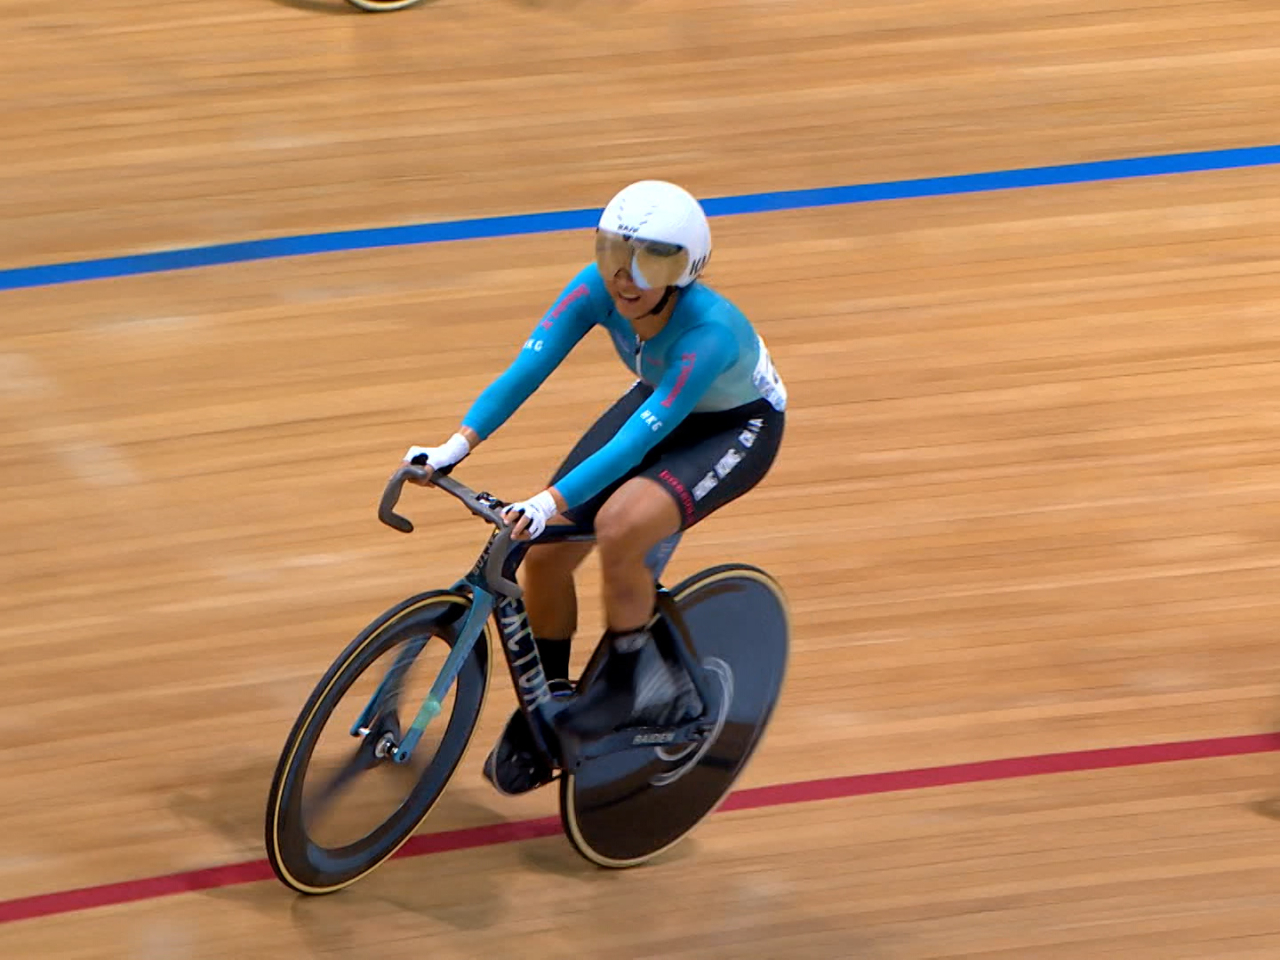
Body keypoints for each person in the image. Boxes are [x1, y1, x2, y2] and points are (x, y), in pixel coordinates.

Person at [402, 180, 787, 795]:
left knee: (620, 527)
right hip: (660, 401)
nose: (626, 277)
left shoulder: (707, 333)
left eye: (651, 259)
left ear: (684, 269)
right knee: (546, 552)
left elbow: (638, 441)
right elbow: (529, 366)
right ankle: (550, 712)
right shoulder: (594, 285)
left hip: (733, 427)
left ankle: (627, 682)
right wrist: (456, 444)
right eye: (614, 252)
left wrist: (545, 500)